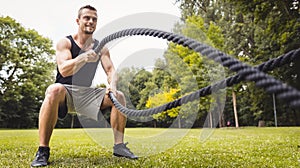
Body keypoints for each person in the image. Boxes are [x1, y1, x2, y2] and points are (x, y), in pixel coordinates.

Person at [31, 5, 138, 167]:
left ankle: (119, 146)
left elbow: (111, 70)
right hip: (65, 93)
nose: (91, 21)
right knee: (54, 89)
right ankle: (43, 150)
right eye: (87, 18)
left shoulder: (101, 46)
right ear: (78, 20)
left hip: (87, 94)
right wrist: (84, 57)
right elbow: (64, 70)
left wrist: (112, 85)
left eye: (94, 19)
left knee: (119, 95)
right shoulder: (65, 42)